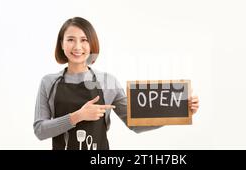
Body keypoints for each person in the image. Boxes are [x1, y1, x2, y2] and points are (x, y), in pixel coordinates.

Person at [33, 17, 199, 150]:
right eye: (70, 39)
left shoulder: (108, 82)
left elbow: (134, 123)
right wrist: (79, 116)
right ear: (61, 44)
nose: (77, 46)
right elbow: (40, 130)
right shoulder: (49, 82)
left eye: (84, 40)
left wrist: (177, 109)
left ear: (92, 44)